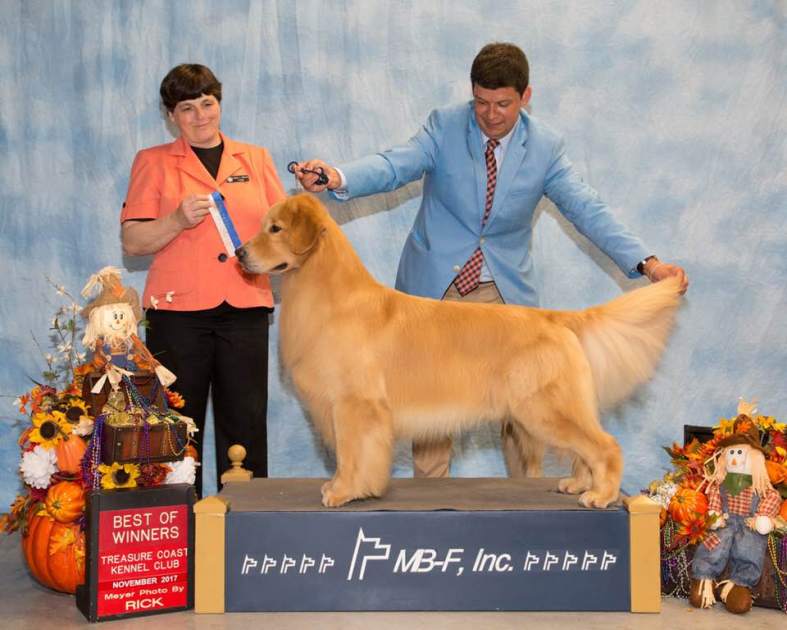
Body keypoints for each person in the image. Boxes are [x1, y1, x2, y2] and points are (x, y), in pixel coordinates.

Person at [294, 42, 689, 479]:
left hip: (502, 294)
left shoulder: (545, 148)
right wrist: (337, 176)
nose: (490, 114)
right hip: (434, 295)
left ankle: (526, 498)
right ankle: (431, 503)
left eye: (503, 104)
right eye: (481, 102)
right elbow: (392, 165)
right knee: (427, 407)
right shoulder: (444, 126)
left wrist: (649, 264)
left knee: (528, 412)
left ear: (526, 97)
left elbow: (587, 209)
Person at [121, 63, 286, 496]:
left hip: (245, 308)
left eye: (207, 104)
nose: (200, 116)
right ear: (171, 116)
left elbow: (284, 232)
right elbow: (133, 241)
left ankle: (245, 519)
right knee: (177, 425)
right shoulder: (152, 162)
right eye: (187, 108)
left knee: (246, 423)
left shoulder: (255, 158)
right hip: (177, 315)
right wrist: (175, 220)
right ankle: (178, 523)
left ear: (219, 103)